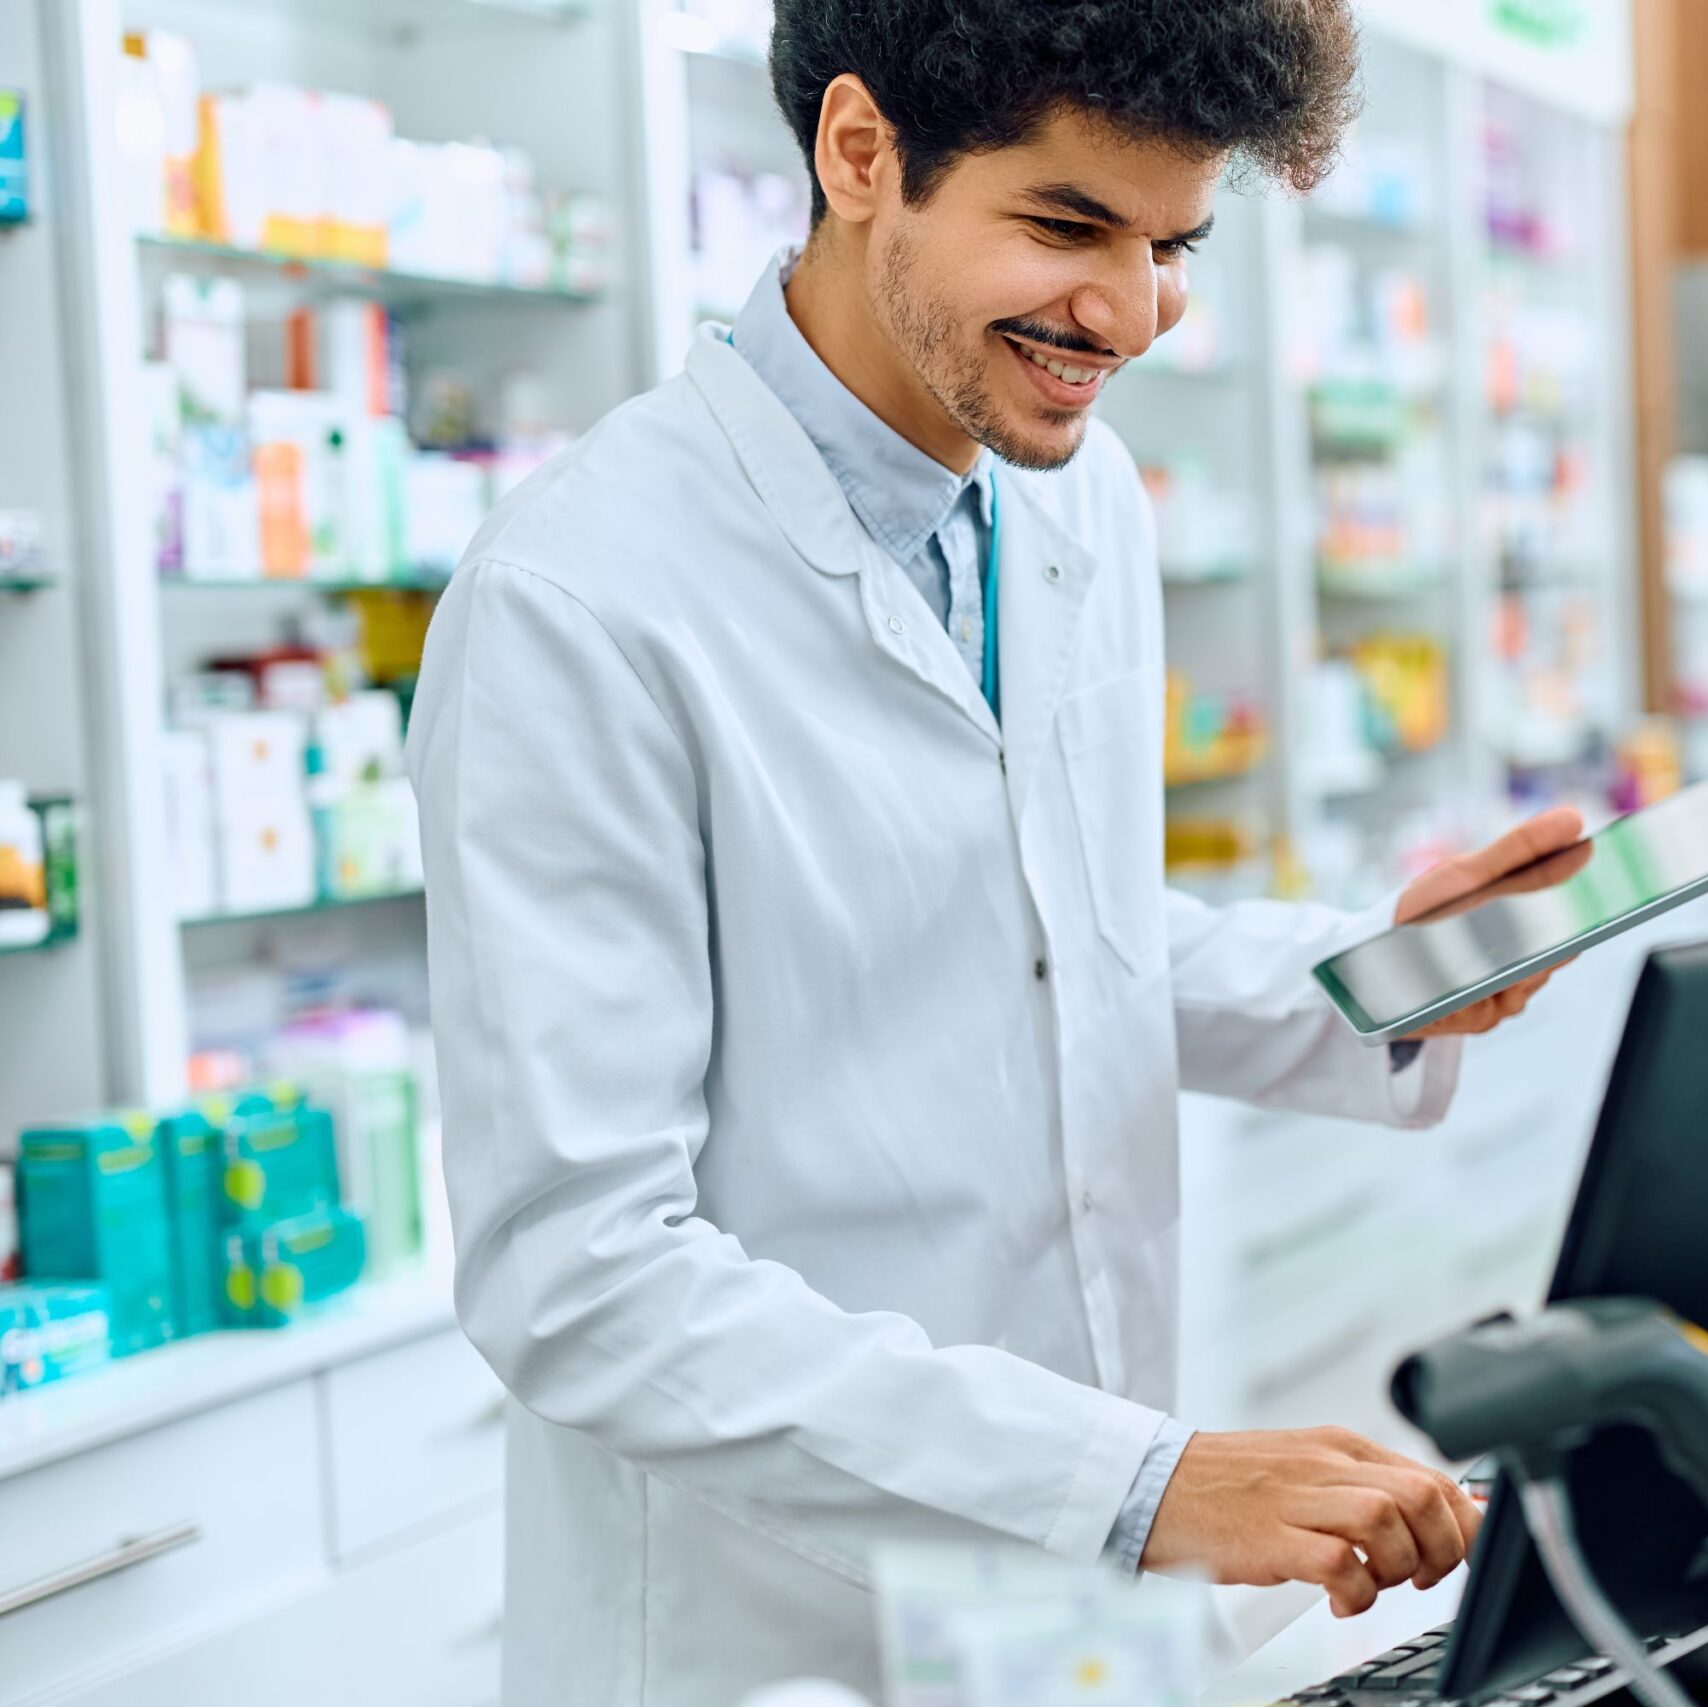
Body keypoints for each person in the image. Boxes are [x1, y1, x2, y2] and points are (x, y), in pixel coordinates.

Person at [406, 2, 1582, 1702]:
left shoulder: (1075, 497)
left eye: (1173, 243)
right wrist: (1142, 1482)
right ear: (861, 153)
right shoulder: (577, 605)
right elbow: (579, 1276)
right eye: (1064, 227)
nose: (1130, 315)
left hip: (1066, 1617)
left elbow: (1052, 936)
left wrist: (1385, 980)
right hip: (776, 1628)